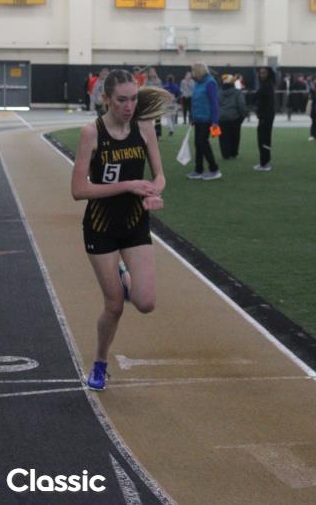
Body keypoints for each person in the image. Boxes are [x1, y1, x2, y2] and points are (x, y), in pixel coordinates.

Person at [70, 70, 170, 391]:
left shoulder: (144, 127)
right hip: (101, 227)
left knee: (146, 302)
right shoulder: (91, 133)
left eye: (133, 99)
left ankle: (125, 278)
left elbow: (159, 176)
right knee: (113, 306)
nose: (129, 106)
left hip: (134, 223)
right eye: (122, 100)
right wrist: (128, 185)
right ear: (106, 99)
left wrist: (153, 192)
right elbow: (78, 190)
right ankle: (100, 362)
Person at [188, 63, 221, 180]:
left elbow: (214, 103)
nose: (191, 73)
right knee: (198, 144)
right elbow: (194, 101)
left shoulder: (210, 83)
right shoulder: (197, 83)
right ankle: (198, 169)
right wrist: (192, 116)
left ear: (199, 71)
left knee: (203, 143)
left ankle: (214, 169)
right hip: (198, 119)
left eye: (193, 71)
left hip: (207, 119)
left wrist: (215, 121)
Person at [218, 74, 247, 159]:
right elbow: (241, 105)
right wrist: (242, 116)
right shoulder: (237, 92)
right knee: (235, 137)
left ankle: (225, 155)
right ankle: (234, 154)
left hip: (222, 118)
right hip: (235, 118)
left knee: (223, 138)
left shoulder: (218, 92)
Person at [253, 66, 275, 172]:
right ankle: (265, 162)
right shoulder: (266, 85)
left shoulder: (267, 85)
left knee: (263, 139)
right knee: (263, 139)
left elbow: (256, 97)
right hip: (265, 116)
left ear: (268, 74)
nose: (261, 75)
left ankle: (264, 163)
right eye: (260, 73)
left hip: (266, 117)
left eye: (264, 73)